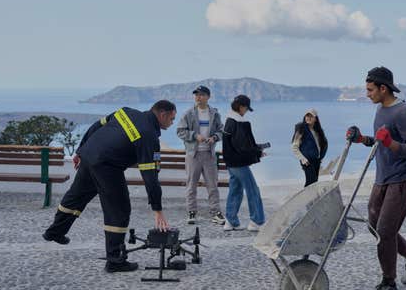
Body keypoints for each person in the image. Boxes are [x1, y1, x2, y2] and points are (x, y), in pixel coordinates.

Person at [43, 100, 176, 273]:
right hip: (106, 166)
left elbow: (97, 125)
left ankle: (54, 232)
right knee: (119, 210)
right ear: (162, 114)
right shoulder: (148, 135)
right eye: (172, 119)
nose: (172, 123)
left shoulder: (127, 112)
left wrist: (81, 150)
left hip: (89, 155)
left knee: (76, 197)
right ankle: (115, 260)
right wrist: (157, 210)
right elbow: (150, 177)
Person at [346, 66, 406, 290]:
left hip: (402, 181)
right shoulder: (381, 110)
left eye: (370, 89)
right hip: (382, 179)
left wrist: (391, 144)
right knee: (376, 228)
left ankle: (389, 284)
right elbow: (381, 142)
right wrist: (362, 139)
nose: (367, 94)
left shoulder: (403, 113)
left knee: (385, 232)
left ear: (384, 88)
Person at [176, 85, 225, 225]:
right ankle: (192, 212)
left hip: (209, 154)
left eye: (202, 94)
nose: (198, 97)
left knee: (212, 185)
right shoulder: (188, 114)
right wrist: (194, 135)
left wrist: (214, 138)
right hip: (193, 155)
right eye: (196, 94)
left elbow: (221, 131)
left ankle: (216, 213)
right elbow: (180, 131)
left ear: (208, 97)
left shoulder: (214, 114)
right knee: (191, 185)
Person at [221, 95, 266, 232]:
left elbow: (235, 145)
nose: (246, 111)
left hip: (230, 162)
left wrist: (256, 150)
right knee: (253, 190)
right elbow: (242, 146)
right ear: (241, 107)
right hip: (239, 163)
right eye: (246, 108)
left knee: (235, 190)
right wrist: (257, 153)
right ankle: (256, 221)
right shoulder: (239, 122)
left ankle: (231, 221)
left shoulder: (229, 121)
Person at [291, 108, 328, 187]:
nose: (308, 118)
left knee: (314, 182)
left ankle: (313, 198)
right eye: (307, 116)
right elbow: (294, 147)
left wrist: (320, 157)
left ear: (315, 119)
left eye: (311, 116)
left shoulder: (318, 131)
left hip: (316, 160)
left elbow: (323, 145)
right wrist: (303, 159)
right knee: (310, 182)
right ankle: (306, 198)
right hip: (307, 161)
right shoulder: (301, 130)